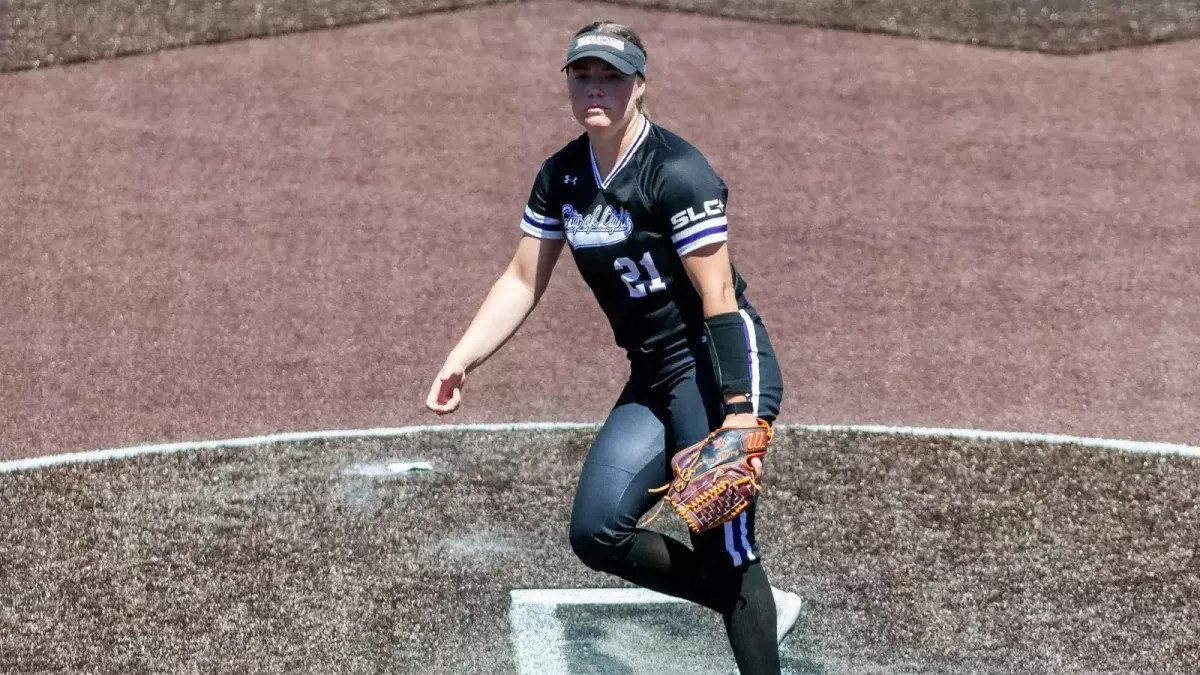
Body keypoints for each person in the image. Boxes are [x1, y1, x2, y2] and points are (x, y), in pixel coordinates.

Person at [425, 20, 803, 674]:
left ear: (640, 85)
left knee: (724, 545)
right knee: (597, 531)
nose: (595, 88)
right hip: (654, 373)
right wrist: (461, 359)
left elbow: (718, 295)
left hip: (715, 365)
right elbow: (522, 279)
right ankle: (750, 603)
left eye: (611, 76)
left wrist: (740, 413)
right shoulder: (563, 176)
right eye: (583, 75)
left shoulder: (677, 172)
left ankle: (747, 603)